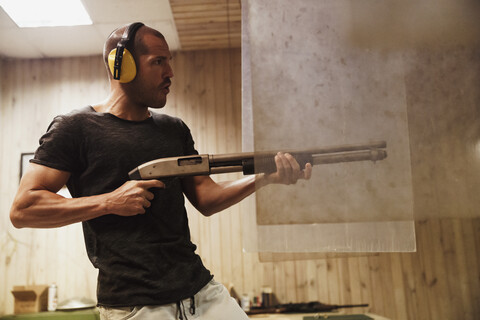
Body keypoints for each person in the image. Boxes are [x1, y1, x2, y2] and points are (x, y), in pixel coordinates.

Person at [9, 23, 312, 320]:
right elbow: (23, 208)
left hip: (200, 292)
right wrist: (107, 202)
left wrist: (266, 177)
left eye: (169, 62)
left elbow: (207, 197)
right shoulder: (75, 128)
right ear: (122, 66)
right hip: (134, 306)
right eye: (158, 62)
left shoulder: (173, 130)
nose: (170, 73)